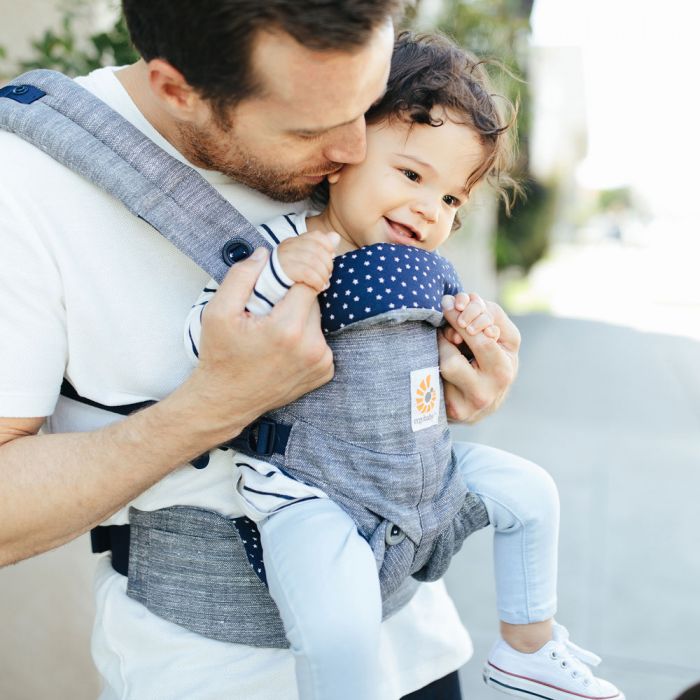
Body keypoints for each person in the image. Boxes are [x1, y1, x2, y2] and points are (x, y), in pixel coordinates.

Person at [0, 3, 520, 699]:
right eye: (312, 127)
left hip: (413, 643)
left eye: (366, 104)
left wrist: (442, 382)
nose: (355, 148)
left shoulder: (351, 113)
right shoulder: (23, 188)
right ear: (178, 90)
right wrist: (217, 404)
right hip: (210, 671)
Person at [186, 32, 624, 700]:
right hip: (315, 487)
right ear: (341, 155)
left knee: (531, 492)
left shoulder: (428, 271)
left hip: (419, 474)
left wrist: (472, 336)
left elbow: (448, 371)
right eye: (413, 176)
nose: (429, 208)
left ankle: (528, 647)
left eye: (451, 200)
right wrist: (277, 275)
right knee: (339, 624)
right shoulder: (284, 246)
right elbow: (203, 336)